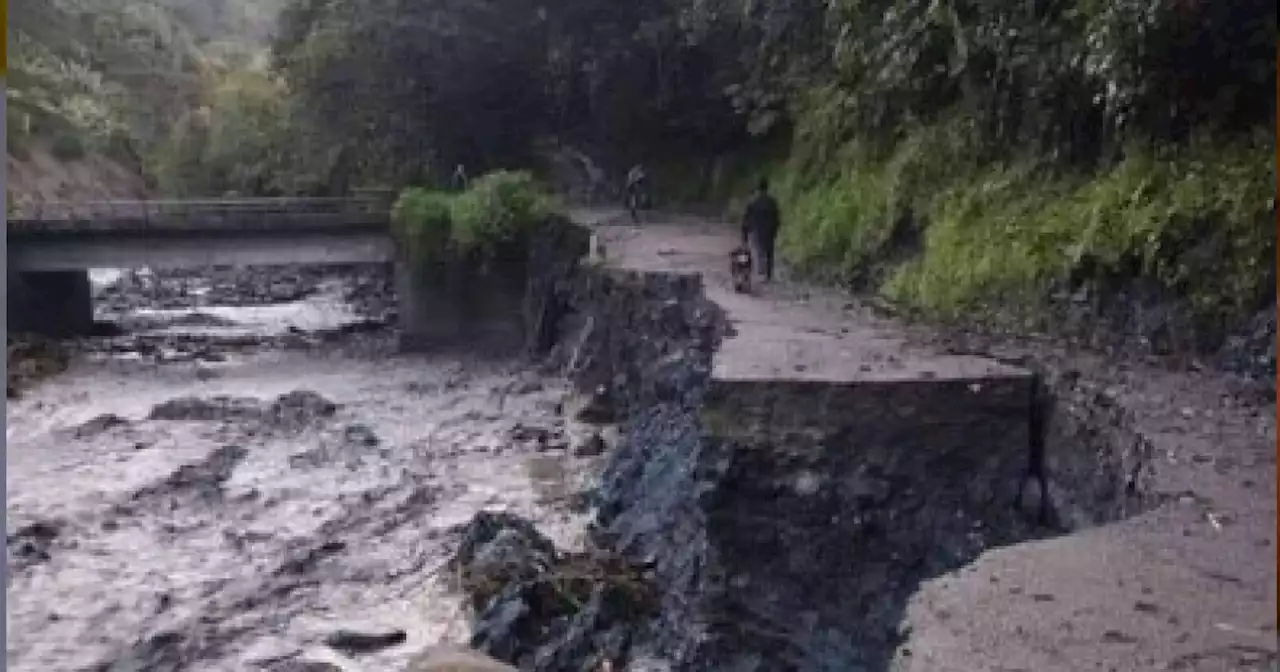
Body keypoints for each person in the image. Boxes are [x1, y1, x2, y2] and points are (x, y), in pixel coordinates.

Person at [741, 177, 781, 282]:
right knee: (769, 252)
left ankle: (761, 273)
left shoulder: (754, 202)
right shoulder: (772, 202)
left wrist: (744, 235)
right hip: (770, 230)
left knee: (759, 251)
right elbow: (777, 217)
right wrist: (775, 230)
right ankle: (768, 275)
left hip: (758, 230)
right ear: (767, 188)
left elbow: (746, 219)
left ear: (758, 189)